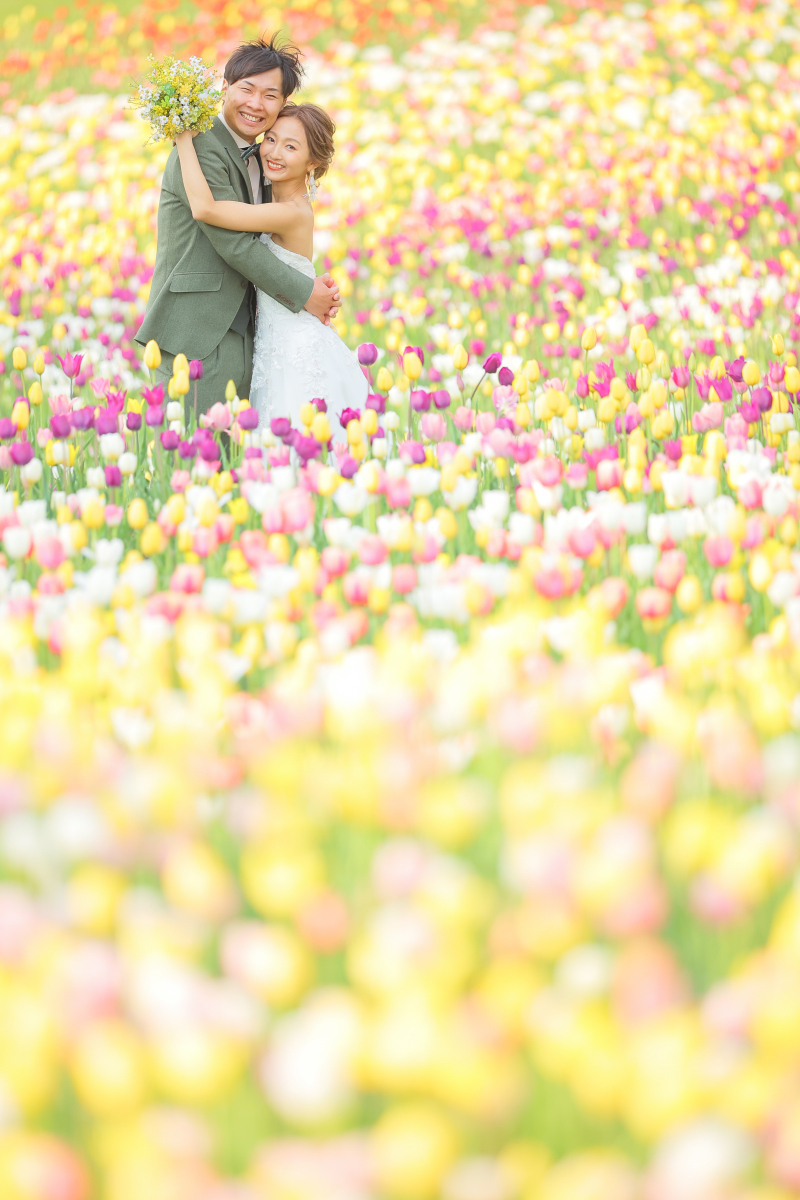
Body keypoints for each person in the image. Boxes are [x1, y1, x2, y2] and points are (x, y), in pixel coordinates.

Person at [135, 36, 340, 414]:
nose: (256, 104)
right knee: (195, 445)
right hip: (199, 331)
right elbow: (234, 243)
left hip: (251, 333)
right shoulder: (200, 146)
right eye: (247, 89)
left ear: (283, 103)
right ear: (225, 87)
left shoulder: (265, 155)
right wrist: (304, 291)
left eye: (270, 95)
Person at [175, 101, 367, 428]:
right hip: (275, 342)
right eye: (271, 139)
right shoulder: (276, 199)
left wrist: (182, 139)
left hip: (294, 346)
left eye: (290, 147)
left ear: (313, 162)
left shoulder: (290, 212)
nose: (274, 153)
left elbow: (206, 209)